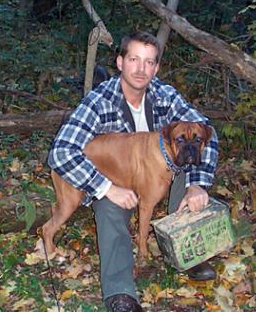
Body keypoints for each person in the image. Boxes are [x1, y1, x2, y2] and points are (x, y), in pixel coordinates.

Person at [48, 31, 218, 312]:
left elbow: (203, 128)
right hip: (115, 178)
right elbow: (60, 152)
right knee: (109, 210)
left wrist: (198, 184)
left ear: (157, 68)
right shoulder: (99, 100)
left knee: (190, 177)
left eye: (149, 62)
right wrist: (105, 187)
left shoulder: (165, 95)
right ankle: (120, 293)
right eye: (134, 59)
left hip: (163, 170)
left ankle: (190, 254)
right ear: (119, 62)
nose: (141, 69)